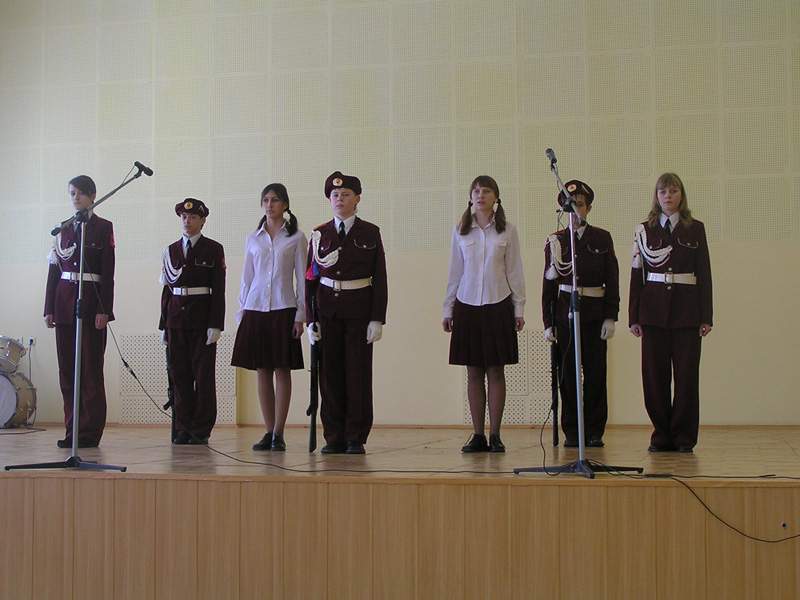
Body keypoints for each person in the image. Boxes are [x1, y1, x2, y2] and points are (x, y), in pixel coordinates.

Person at [629, 173, 712, 453]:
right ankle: (662, 435)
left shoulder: (695, 229)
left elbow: (704, 273)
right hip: (652, 313)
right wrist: (634, 316)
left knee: (686, 377)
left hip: (687, 313)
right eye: (663, 191)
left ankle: (684, 436)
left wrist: (706, 316)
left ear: (681, 195)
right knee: (654, 377)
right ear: (656, 196)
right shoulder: (645, 230)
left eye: (673, 191)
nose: (668, 196)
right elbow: (637, 274)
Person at [305, 171, 388, 455]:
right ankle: (334, 436)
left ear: (357, 199)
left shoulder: (370, 232)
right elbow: (310, 278)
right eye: (335, 195)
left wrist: (377, 318)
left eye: (346, 194)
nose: (339, 199)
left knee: (357, 375)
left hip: (359, 311)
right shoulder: (319, 235)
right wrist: (311, 320)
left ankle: (355, 436)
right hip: (327, 311)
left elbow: (380, 277)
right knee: (330, 376)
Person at [443, 175, 525, 453]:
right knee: (474, 372)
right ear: (470, 197)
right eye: (476, 191)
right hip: (467, 305)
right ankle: (478, 434)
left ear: (496, 197)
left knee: (496, 370)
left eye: (486, 191)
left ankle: (496, 435)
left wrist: (519, 307)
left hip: (498, 303)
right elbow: (455, 272)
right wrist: (448, 308)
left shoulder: (507, 231)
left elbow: (515, 270)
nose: (480, 195)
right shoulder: (461, 231)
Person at [541, 180, 619, 448]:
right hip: (566, 315)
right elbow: (548, 286)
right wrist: (548, 323)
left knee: (596, 375)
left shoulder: (602, 238)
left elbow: (612, 279)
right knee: (568, 376)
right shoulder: (556, 241)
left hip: (595, 315)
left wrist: (611, 316)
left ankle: (594, 431)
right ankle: (573, 431)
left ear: (588, 208)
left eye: (580, 205)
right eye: (570, 206)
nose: (575, 211)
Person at [231, 184, 307, 452]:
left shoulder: (296, 237)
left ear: (285, 204)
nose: (269, 205)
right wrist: (242, 310)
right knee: (262, 370)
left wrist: (301, 315)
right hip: (255, 309)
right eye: (265, 200)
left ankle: (279, 433)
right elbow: (247, 277)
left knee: (282, 369)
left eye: (274, 200)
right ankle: (268, 429)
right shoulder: (253, 238)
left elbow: (302, 279)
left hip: (284, 308)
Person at [44, 175, 115, 448]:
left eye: (81, 193)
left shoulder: (103, 227)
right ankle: (72, 430)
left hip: (91, 305)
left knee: (90, 371)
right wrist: (49, 308)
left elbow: (108, 273)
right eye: (72, 193)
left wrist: (104, 310)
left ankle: (89, 433)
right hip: (64, 305)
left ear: (93, 196)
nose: (76, 198)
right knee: (67, 371)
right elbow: (54, 271)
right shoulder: (62, 229)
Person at [159, 198, 226, 445]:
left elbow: (218, 290)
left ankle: (201, 429)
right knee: (179, 376)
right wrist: (163, 325)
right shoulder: (171, 251)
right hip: (176, 319)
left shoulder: (213, 249)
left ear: (203, 221)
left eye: (193, 217)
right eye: (184, 217)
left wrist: (216, 324)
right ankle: (183, 427)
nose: (187, 221)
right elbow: (167, 291)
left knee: (203, 377)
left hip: (202, 320)